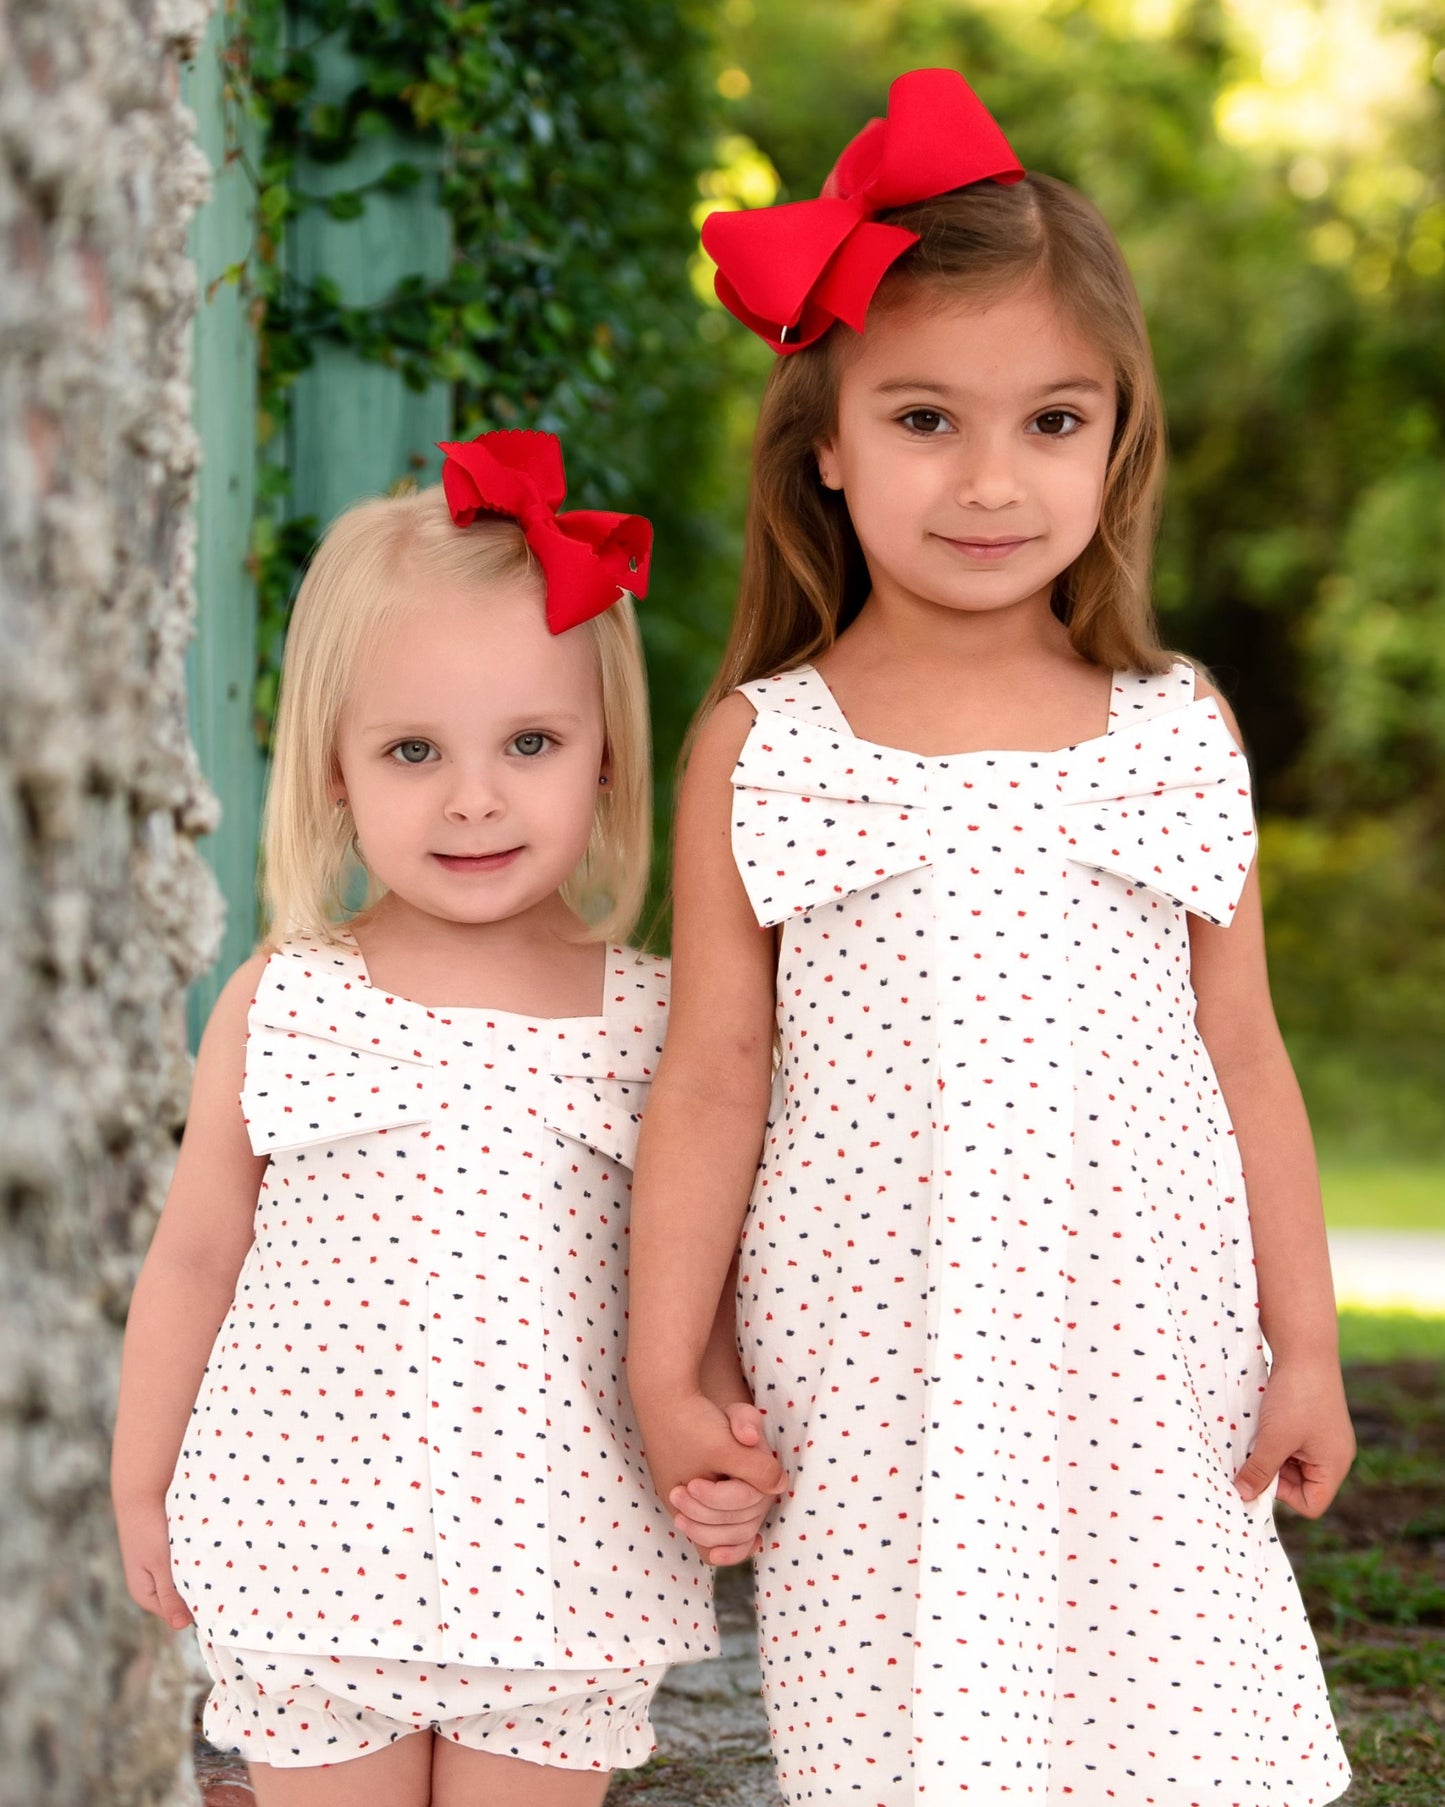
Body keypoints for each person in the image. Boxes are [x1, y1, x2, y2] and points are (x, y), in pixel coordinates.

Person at [627, 68, 1354, 1806]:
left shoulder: (1173, 727)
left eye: (1051, 420)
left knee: (1179, 1731)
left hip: (1145, 1342)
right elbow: (715, 1072)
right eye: (924, 418)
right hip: (877, 1351)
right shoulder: (769, 743)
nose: (991, 478)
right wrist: (672, 1360)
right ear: (826, 437)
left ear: (1117, 441)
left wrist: (1308, 1342)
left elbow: (1241, 1054)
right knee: (907, 1739)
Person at [111, 431, 782, 1807]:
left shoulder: (654, 1017)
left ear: (603, 759)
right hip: (309, 1547)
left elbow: (694, 1257)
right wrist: (138, 1481)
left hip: (560, 1553)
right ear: (338, 772)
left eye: (529, 743)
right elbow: (193, 1256)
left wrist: (716, 1426)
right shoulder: (287, 997)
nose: (475, 796)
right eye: (413, 749)